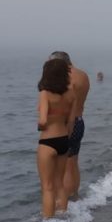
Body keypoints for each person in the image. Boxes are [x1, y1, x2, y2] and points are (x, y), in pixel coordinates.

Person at [48, 51, 90, 204]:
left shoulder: (63, 78)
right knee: (73, 162)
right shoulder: (83, 75)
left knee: (61, 165)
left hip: (65, 124)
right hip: (79, 121)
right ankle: (74, 196)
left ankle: (64, 202)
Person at [36, 58, 76, 218]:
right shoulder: (71, 93)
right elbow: (71, 123)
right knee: (60, 184)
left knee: (47, 186)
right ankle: (62, 217)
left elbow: (43, 120)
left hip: (47, 141)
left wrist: (40, 126)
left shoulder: (45, 93)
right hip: (63, 140)